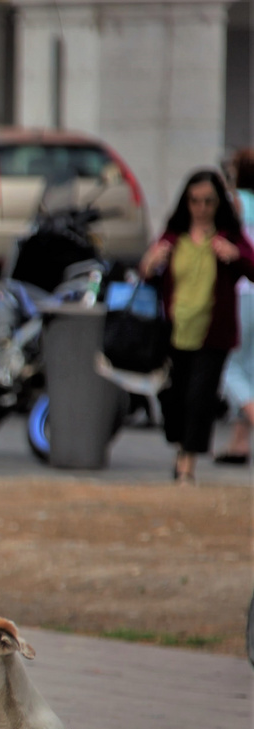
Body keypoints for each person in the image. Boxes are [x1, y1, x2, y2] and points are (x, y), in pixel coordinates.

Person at [138, 169, 254, 484]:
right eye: (195, 201)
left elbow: (251, 266)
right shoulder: (174, 237)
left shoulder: (228, 237)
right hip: (175, 331)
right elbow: (147, 272)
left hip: (212, 333)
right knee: (174, 399)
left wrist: (234, 257)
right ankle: (181, 450)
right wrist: (151, 262)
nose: (201, 208)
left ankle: (186, 465)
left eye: (208, 202)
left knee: (199, 398)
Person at [215, 148, 254, 466]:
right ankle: (239, 444)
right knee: (250, 369)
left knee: (228, 366)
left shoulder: (236, 202)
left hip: (241, 292)